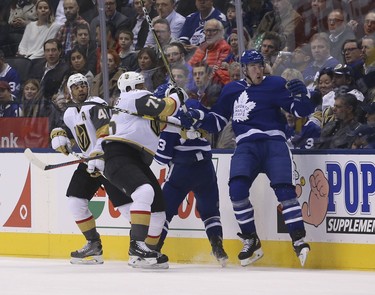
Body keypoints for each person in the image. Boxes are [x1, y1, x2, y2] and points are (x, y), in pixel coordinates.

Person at [179, 50, 315, 267]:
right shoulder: (232, 89)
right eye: (253, 66)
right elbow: (216, 122)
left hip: (274, 144)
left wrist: (303, 97)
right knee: (237, 191)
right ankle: (251, 239)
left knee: (285, 191)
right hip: (245, 145)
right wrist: (197, 118)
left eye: (260, 65)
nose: (258, 70)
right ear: (243, 69)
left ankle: (298, 238)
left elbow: (300, 111)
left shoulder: (275, 83)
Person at [49, 73, 132, 264]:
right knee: (75, 202)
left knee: (127, 208)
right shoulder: (70, 112)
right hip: (88, 163)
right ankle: (93, 245)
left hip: (107, 160)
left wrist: (97, 154)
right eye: (76, 87)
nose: (80, 89)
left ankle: (143, 246)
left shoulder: (95, 104)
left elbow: (106, 132)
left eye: (83, 85)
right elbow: (66, 130)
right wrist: (59, 138)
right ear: (70, 92)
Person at [101, 71, 181, 268]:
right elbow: (166, 107)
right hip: (119, 154)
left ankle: (147, 255)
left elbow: (173, 123)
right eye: (141, 85)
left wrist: (191, 123)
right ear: (132, 88)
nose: (144, 89)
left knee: (159, 212)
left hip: (136, 159)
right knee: (144, 191)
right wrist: (177, 96)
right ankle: (137, 246)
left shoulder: (137, 111)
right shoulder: (133, 97)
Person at [153, 84, 228, 266]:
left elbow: (162, 159)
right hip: (206, 167)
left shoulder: (168, 117)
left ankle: (154, 250)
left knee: (165, 211)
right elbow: (214, 123)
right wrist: (198, 118)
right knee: (210, 212)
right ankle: (218, 248)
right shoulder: (195, 104)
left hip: (182, 169)